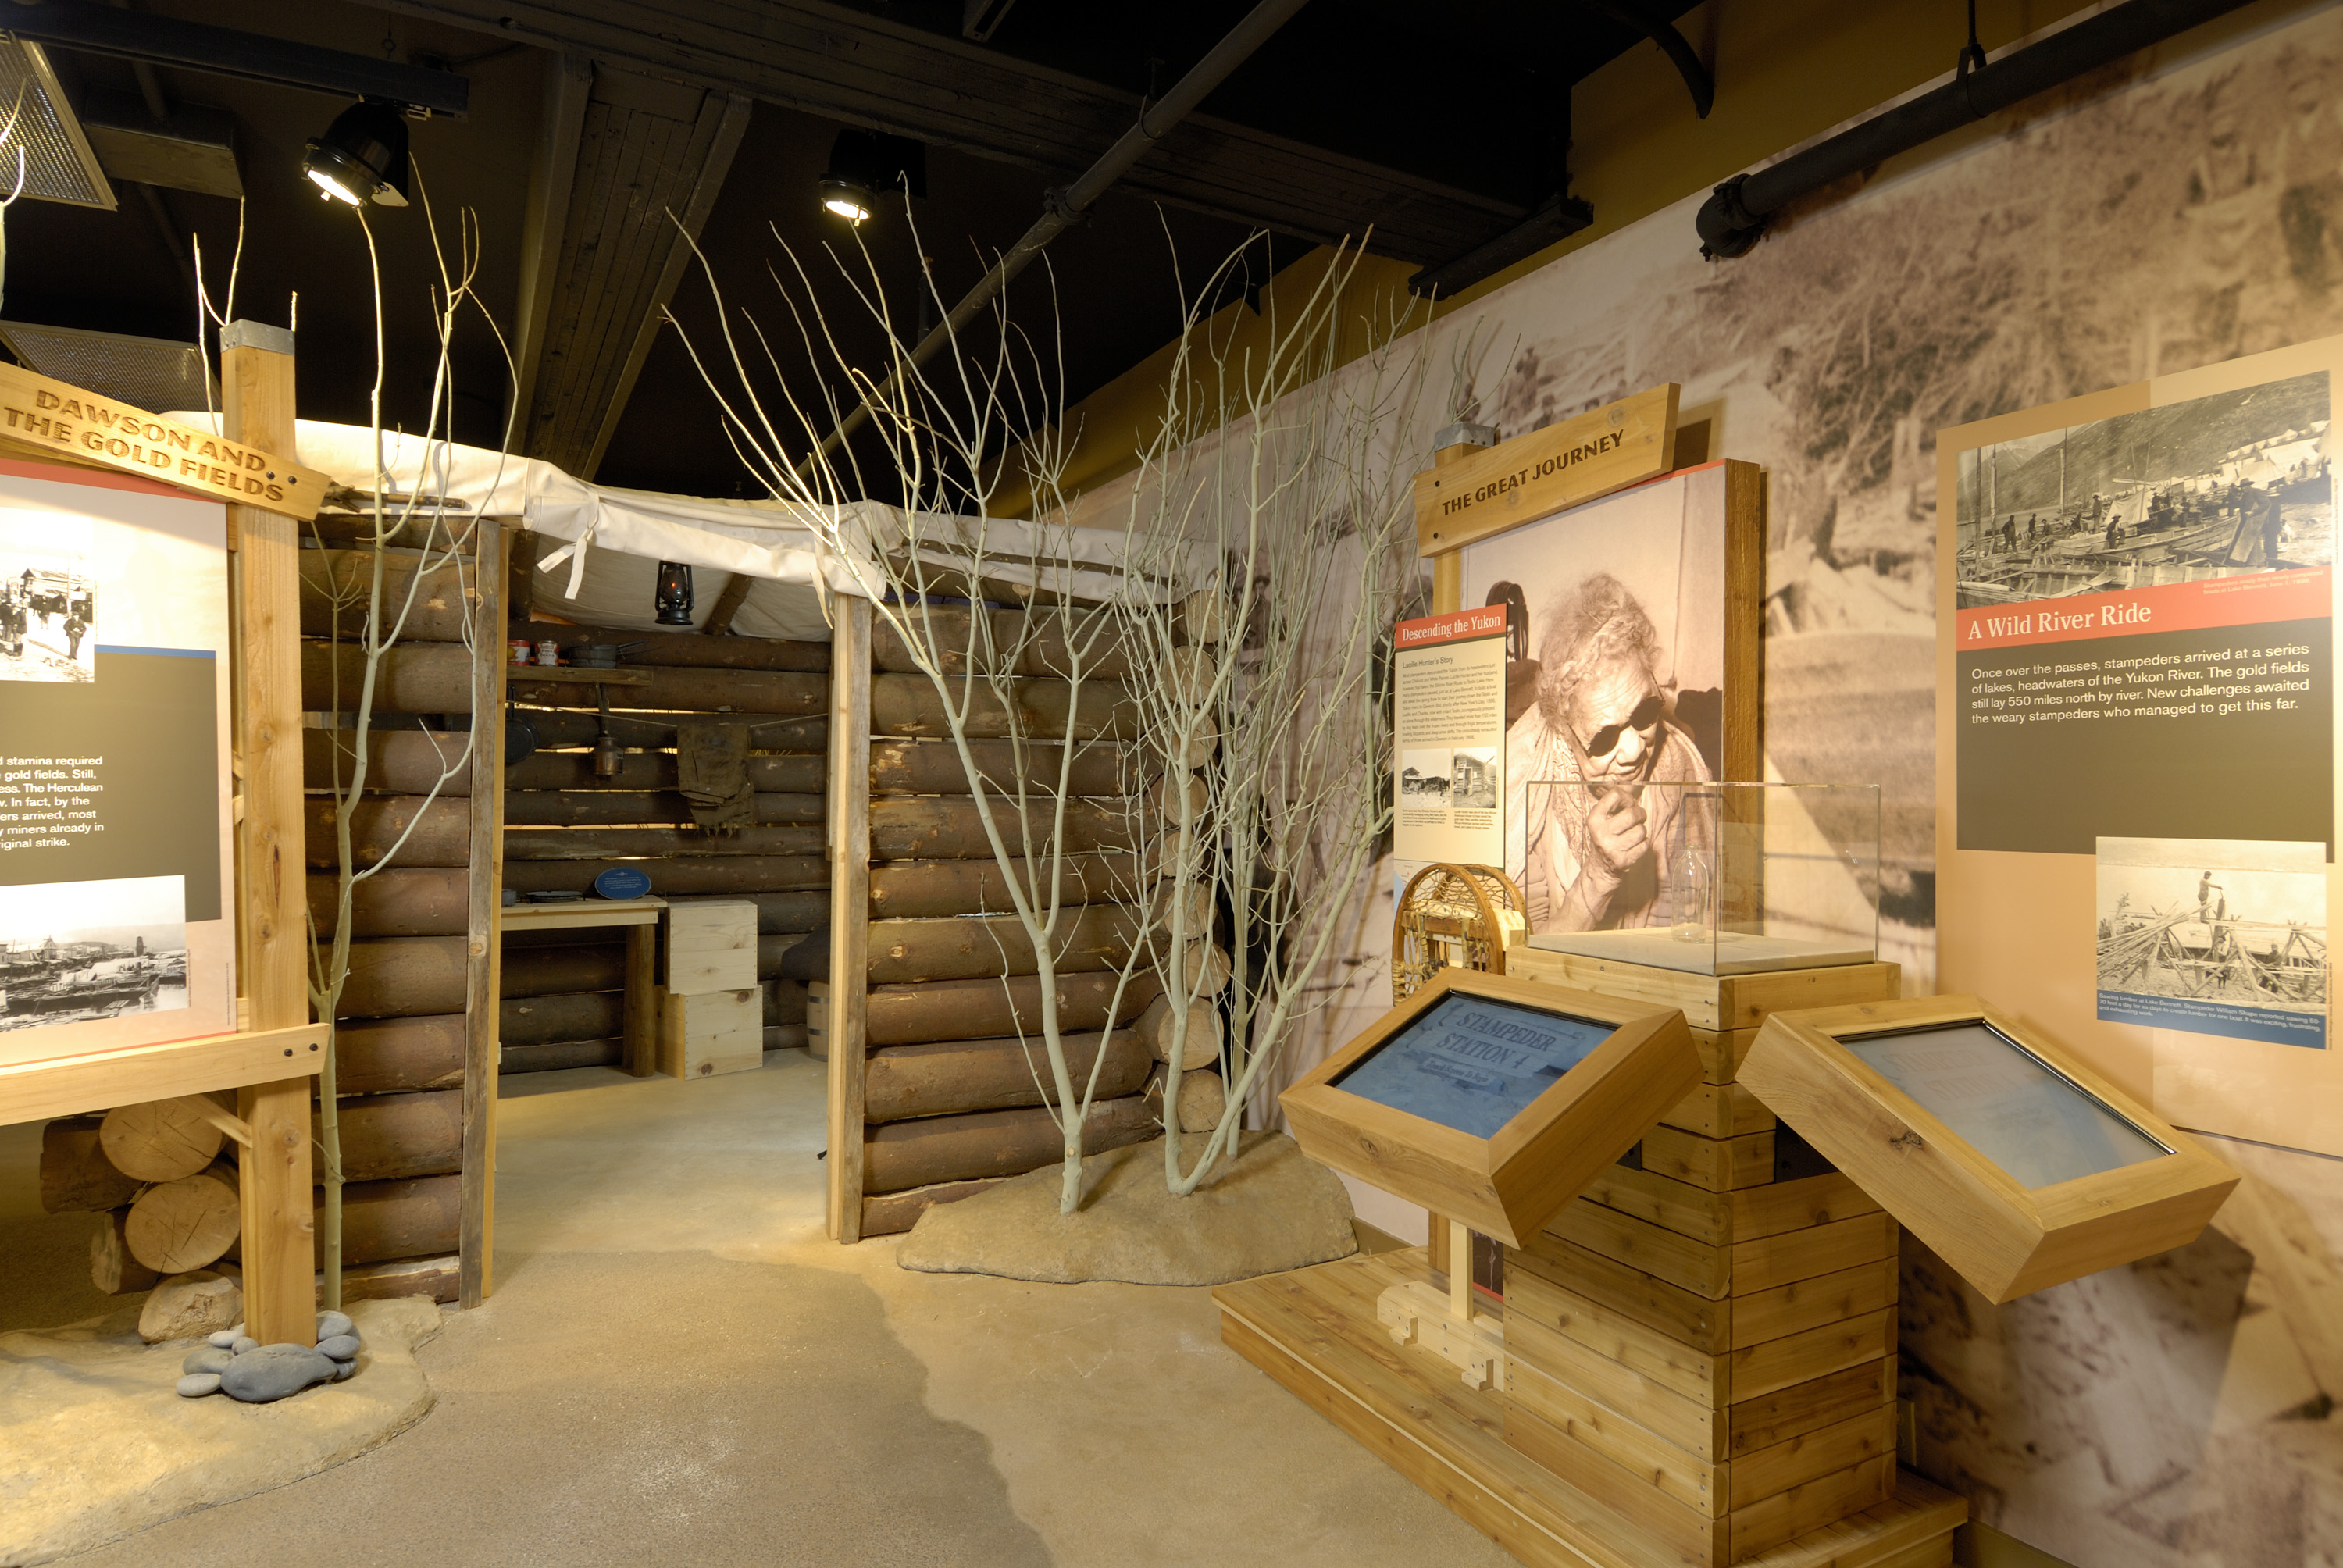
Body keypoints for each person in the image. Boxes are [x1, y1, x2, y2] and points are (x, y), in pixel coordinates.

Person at [1504, 573, 1711, 933]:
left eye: (1645, 714)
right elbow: (1525, 963)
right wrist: (1599, 876)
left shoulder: (1679, 768)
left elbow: (1690, 932)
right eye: (1604, 738)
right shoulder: (1527, 787)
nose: (1633, 751)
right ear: (1565, 734)